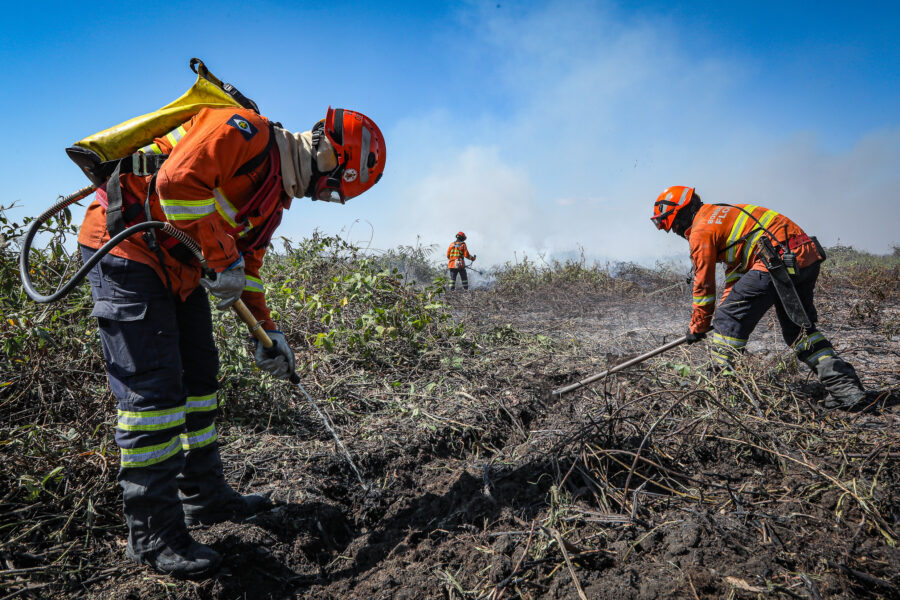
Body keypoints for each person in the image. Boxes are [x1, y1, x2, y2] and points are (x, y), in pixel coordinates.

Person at [77, 106, 386, 578]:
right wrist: (222, 258)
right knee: (154, 396)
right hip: (126, 245)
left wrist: (270, 332)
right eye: (337, 187)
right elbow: (176, 184)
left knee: (200, 377)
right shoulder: (245, 131)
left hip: (178, 264)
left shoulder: (273, 201)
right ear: (328, 151)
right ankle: (153, 534)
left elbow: (249, 271)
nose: (329, 199)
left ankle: (205, 495)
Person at [651, 186, 866, 409]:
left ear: (680, 213)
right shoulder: (718, 214)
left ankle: (722, 390)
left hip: (776, 260)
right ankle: (844, 388)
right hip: (803, 255)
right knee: (797, 330)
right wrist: (727, 306)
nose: (674, 231)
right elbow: (737, 272)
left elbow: (704, 285)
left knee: (729, 320)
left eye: (672, 224)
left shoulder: (700, 230)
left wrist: (699, 325)